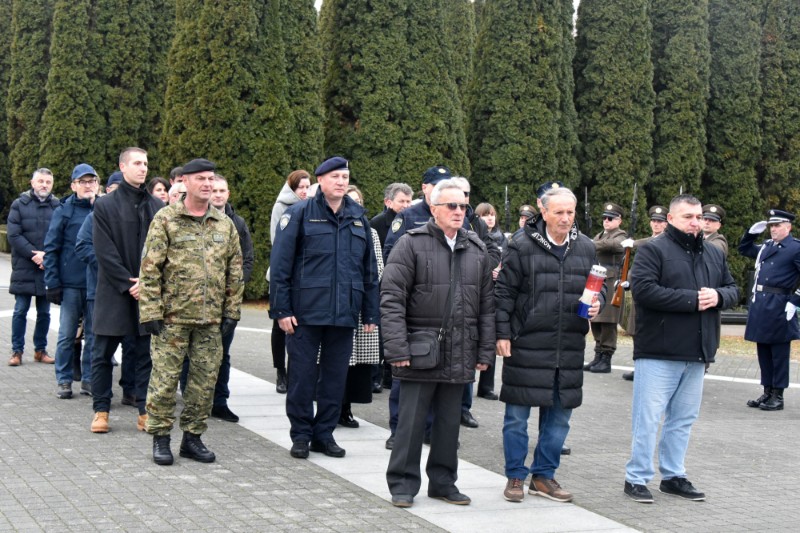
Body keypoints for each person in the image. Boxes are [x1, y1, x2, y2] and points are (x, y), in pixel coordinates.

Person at [382, 179, 495, 508]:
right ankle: (402, 484)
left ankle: (444, 483)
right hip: (420, 350)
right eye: (452, 206)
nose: (459, 212)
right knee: (411, 424)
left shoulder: (476, 248)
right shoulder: (410, 244)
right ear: (434, 209)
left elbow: (487, 306)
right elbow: (391, 300)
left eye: (463, 206)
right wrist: (398, 349)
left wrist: (484, 351)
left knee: (448, 426)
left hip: (460, 351)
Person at [624, 194, 738, 503]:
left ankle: (673, 476)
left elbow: (733, 289)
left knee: (683, 419)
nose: (696, 222)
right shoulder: (652, 249)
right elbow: (644, 290)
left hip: (698, 350)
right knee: (647, 418)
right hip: (659, 350)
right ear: (671, 219)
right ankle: (636, 477)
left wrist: (718, 297)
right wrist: (692, 300)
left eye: (699, 216)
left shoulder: (713, 253)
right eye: (688, 216)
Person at [495, 186, 602, 504]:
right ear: (544, 212)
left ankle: (543, 476)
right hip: (526, 342)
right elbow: (504, 293)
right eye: (559, 212)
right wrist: (501, 334)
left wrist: (599, 304)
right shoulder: (520, 244)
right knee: (517, 416)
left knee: (560, 417)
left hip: (568, 344)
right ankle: (516, 475)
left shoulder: (585, 246)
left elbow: (597, 288)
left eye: (571, 212)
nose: (566, 218)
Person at [269, 156, 379, 460]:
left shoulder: (359, 219)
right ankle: (301, 435)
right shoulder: (299, 213)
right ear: (321, 181)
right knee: (302, 378)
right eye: (335, 176)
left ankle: (324, 434)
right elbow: (280, 266)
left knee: (334, 379)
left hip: (344, 314)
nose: (341, 182)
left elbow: (369, 272)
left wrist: (370, 312)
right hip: (304, 314)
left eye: (345, 176)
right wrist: (281, 310)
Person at [140, 158, 243, 466]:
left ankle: (192, 439)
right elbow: (149, 268)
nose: (208, 184)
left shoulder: (224, 224)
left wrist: (232, 312)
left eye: (211, 179)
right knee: (165, 381)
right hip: (172, 319)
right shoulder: (166, 219)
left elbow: (234, 271)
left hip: (210, 320)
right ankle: (160, 438)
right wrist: (150, 311)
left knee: (203, 382)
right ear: (184, 182)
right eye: (201, 179)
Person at [89, 148, 164, 433]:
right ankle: (101, 411)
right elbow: (104, 251)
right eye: (137, 163)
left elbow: (162, 250)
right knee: (102, 355)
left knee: (146, 354)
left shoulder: (156, 206)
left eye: (145, 163)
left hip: (147, 293)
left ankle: (145, 411)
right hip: (113, 293)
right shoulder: (105, 205)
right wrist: (127, 282)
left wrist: (146, 282)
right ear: (122, 167)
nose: (143, 168)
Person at [179, 174, 254, 423]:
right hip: (194, 302)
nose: (218, 195)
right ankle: (192, 400)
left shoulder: (237, 223)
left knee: (223, 354)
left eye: (223, 191)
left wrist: (232, 288)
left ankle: (220, 401)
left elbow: (246, 260)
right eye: (215, 191)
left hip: (224, 302)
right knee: (191, 354)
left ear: (228, 194)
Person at [44, 164, 99, 399]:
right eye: (83, 181)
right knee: (67, 334)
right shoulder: (63, 211)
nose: (88, 185)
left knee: (95, 335)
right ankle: (64, 380)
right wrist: (52, 282)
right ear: (73, 185)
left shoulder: (104, 209)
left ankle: (88, 379)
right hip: (70, 284)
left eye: (92, 181)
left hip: (97, 283)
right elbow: (52, 247)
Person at [739, 209, 800, 411]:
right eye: (771, 226)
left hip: (780, 304)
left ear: (788, 227)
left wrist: (795, 301)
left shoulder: (795, 247)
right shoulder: (766, 246)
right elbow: (744, 249)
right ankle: (767, 392)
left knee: (779, 352)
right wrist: (750, 234)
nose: (773, 229)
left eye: (777, 225)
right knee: (763, 349)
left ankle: (778, 395)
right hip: (762, 304)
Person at [337, 185, 383, 428]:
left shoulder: (369, 232)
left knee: (355, 366)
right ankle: (331, 408)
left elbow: (376, 270)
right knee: (334, 363)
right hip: (335, 305)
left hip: (358, 304)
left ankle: (346, 409)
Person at [7, 168, 60, 366]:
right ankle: (16, 351)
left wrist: (46, 255)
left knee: (44, 313)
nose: (44, 185)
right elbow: (14, 235)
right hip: (24, 267)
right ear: (32, 183)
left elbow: (60, 234)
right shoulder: (19, 205)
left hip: (47, 267)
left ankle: (41, 350)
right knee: (20, 310)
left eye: (48, 181)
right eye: (40, 181)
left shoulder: (57, 206)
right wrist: (34, 255)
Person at [268, 169, 312, 394]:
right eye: (300, 187)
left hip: (305, 276)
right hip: (284, 273)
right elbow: (277, 241)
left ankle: (295, 370)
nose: (304, 191)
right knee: (279, 324)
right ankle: (280, 371)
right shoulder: (281, 207)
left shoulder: (313, 206)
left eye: (307, 186)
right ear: (292, 188)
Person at [369, 182, 414, 393]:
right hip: (384, 283)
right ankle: (376, 375)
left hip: (407, 283)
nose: (406, 205)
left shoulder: (412, 221)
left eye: (408, 201)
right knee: (382, 331)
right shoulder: (377, 224)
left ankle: (391, 375)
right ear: (388, 202)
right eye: (401, 201)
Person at [622, 205, 668, 381]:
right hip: (638, 292)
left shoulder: (663, 241)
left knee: (649, 332)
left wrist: (634, 243)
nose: (656, 224)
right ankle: (640, 366)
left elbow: (651, 243)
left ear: (667, 224)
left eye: (660, 222)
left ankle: (650, 368)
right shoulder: (651, 239)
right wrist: (630, 281)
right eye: (654, 221)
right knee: (636, 330)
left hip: (651, 294)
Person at [584, 202, 628, 374]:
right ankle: (598, 356)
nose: (606, 221)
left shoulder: (621, 236)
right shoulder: (600, 234)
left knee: (608, 321)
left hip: (611, 282)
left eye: (610, 218)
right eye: (604, 218)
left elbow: (613, 246)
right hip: (598, 280)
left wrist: (588, 243)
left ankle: (606, 358)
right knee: (596, 319)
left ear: (619, 221)